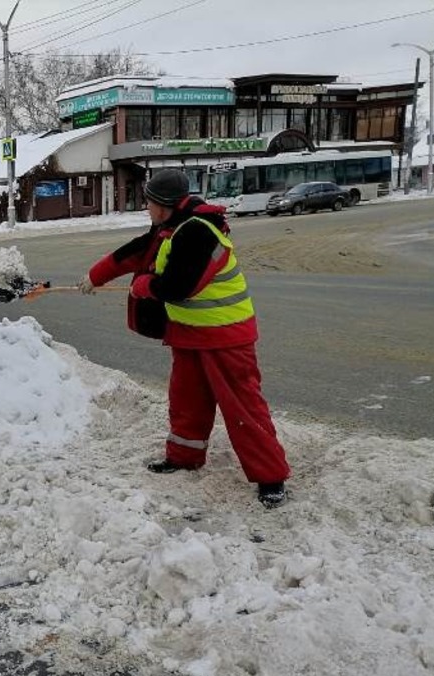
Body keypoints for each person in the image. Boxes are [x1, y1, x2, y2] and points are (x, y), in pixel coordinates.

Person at [79, 168, 289, 508]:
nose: (146, 208)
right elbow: (135, 252)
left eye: (148, 202)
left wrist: (143, 286)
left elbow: (179, 287)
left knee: (243, 408)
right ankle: (184, 456)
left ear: (163, 205)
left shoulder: (198, 232)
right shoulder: (171, 226)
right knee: (186, 399)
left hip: (226, 336)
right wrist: (94, 276)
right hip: (191, 333)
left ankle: (271, 477)